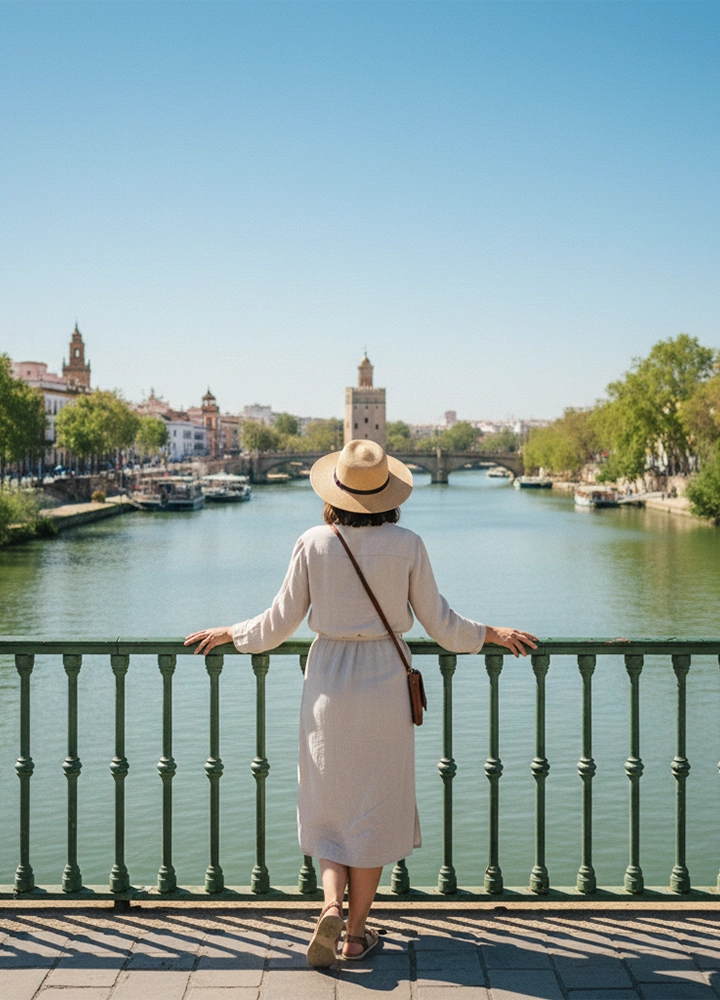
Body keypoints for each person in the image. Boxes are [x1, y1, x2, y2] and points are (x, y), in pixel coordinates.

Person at [185, 440, 537, 967]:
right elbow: (443, 625)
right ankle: (354, 935)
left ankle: (329, 905)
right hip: (384, 684)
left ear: (335, 490)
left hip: (327, 681)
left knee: (330, 802)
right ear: (388, 493)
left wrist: (229, 632)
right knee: (373, 808)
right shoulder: (409, 544)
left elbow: (277, 624)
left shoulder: (312, 542)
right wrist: (492, 633)